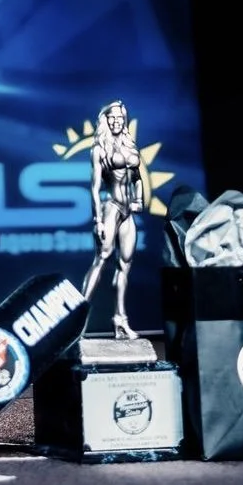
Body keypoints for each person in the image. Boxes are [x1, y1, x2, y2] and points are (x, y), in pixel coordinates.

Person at [82, 100, 146, 340]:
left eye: (120, 118)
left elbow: (137, 176)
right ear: (105, 120)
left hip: (128, 211)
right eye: (112, 118)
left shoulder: (130, 145)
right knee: (101, 259)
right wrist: (97, 220)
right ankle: (78, 320)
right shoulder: (100, 149)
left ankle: (120, 320)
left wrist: (139, 198)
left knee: (125, 265)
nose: (117, 121)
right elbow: (95, 187)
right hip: (110, 208)